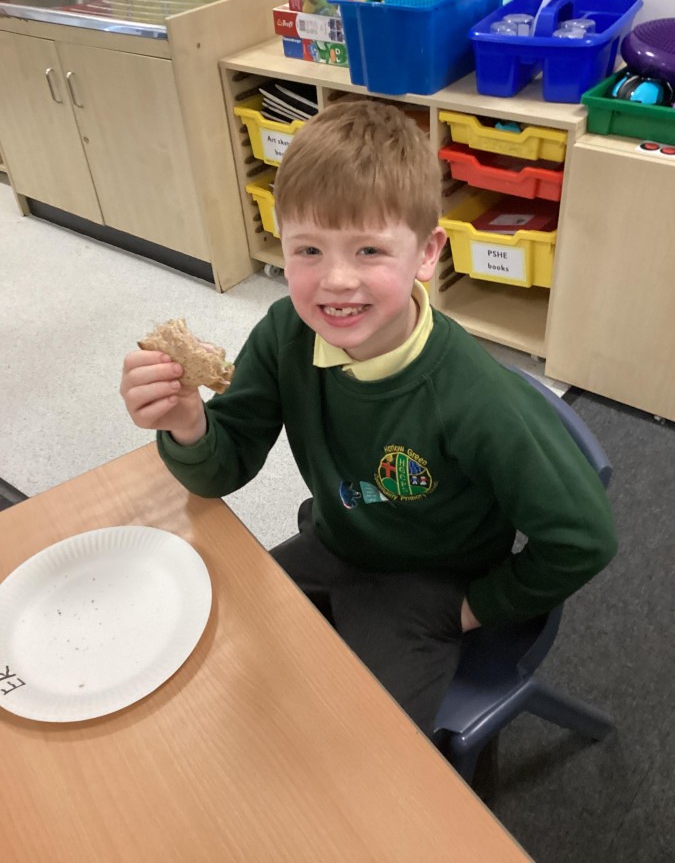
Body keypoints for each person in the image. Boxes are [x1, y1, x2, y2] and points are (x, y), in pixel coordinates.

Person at [120, 100, 617, 740]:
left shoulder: (477, 400)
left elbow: (584, 539)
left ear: (427, 253)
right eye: (308, 249)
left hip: (433, 585)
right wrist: (187, 422)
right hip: (337, 541)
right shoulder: (285, 335)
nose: (336, 280)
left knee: (362, 748)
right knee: (218, 660)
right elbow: (222, 469)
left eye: (369, 249)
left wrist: (475, 608)